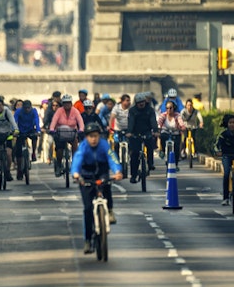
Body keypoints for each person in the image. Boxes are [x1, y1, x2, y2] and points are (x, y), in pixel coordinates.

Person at [72, 122, 123, 253]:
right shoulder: (83, 147)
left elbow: (112, 158)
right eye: (90, 136)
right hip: (86, 176)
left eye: (95, 136)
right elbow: (77, 160)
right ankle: (88, 240)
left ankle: (110, 210)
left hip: (102, 172)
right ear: (86, 137)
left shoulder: (104, 145)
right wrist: (76, 174)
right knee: (88, 209)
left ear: (99, 136)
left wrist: (117, 171)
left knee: (107, 188)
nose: (93, 139)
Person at [126, 92, 159, 183]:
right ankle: (133, 175)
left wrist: (155, 131)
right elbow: (131, 122)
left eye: (143, 102)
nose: (141, 104)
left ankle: (150, 163)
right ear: (136, 103)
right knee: (134, 154)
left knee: (150, 145)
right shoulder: (132, 110)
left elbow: (153, 121)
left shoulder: (150, 110)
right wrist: (129, 132)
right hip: (135, 133)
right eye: (139, 102)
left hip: (147, 132)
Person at [49, 94, 85, 177]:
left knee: (75, 145)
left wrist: (81, 130)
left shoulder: (75, 111)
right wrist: (51, 129)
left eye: (68, 103)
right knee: (59, 149)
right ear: (62, 104)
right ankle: (58, 164)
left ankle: (74, 164)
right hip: (60, 133)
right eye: (65, 103)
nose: (67, 105)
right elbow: (54, 121)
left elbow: (80, 121)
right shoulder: (59, 111)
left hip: (72, 133)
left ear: (71, 103)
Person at [14, 100, 41, 174]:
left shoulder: (34, 111)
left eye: (28, 108)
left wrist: (38, 130)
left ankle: (33, 153)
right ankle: (19, 169)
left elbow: (36, 120)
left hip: (30, 129)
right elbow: (14, 121)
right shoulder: (18, 111)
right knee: (18, 151)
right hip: (20, 130)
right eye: (25, 108)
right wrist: (14, 131)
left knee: (35, 137)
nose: (27, 109)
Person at [157, 101, 184, 168]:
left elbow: (181, 123)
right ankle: (163, 150)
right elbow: (159, 122)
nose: (168, 110)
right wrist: (158, 129)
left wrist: (182, 127)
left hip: (175, 132)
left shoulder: (177, 115)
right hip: (165, 132)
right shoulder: (163, 115)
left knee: (177, 148)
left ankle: (176, 164)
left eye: (170, 108)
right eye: (167, 108)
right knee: (162, 137)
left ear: (174, 108)